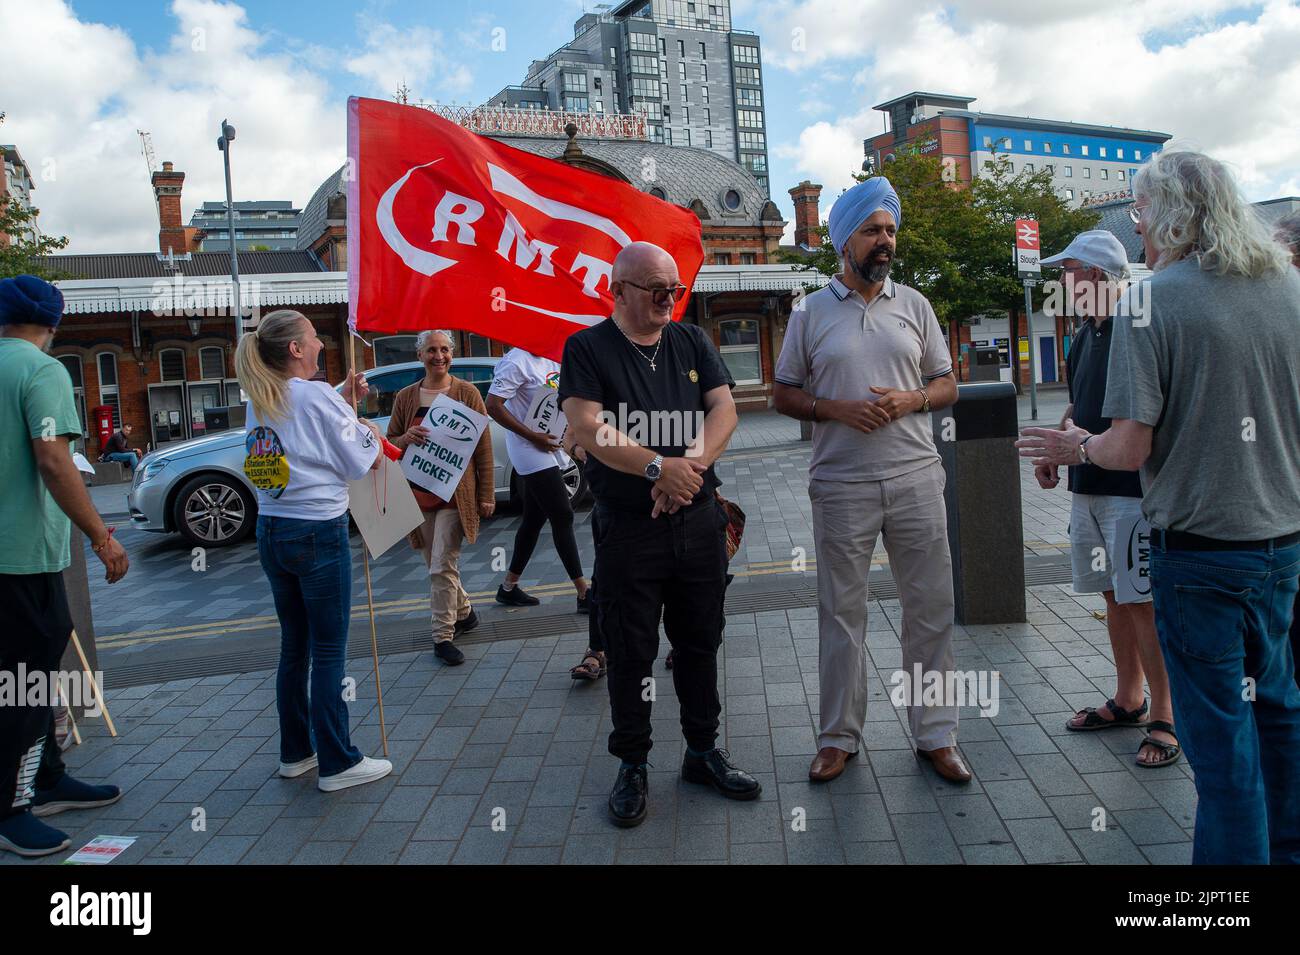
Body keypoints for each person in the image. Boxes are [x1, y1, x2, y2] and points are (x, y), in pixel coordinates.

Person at [1018, 147, 1300, 864]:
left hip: (1202, 554)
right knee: (1281, 721)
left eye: (1141, 215)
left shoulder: (1152, 300)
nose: (1139, 232)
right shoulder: (1288, 292)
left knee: (1222, 751)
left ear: (1172, 216)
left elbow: (1130, 447)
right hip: (1284, 547)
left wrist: (1075, 447)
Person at [772, 176, 970, 785]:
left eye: (890, 230)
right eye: (872, 230)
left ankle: (936, 733)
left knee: (931, 609)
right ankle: (838, 737)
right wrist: (837, 410)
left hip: (916, 476)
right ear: (843, 240)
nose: (884, 241)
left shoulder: (916, 305)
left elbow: (947, 383)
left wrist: (913, 399)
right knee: (841, 613)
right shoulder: (809, 311)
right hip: (841, 484)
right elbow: (783, 392)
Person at [560, 241, 760, 828]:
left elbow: (725, 411)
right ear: (616, 290)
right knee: (630, 652)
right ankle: (633, 764)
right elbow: (586, 426)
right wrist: (656, 466)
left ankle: (702, 751)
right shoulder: (588, 347)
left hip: (697, 523)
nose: (668, 298)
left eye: (674, 288)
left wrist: (686, 470)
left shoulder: (693, 341)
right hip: (628, 528)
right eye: (654, 289)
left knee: (700, 642)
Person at [235, 308, 392, 792]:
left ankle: (296, 752)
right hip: (316, 532)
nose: (323, 343)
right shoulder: (314, 395)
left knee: (295, 648)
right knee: (329, 651)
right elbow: (359, 458)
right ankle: (338, 761)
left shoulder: (261, 397)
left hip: (272, 529)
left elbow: (298, 435)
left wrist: (340, 403)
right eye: (313, 336)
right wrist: (362, 423)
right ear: (296, 349)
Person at [1037, 230, 1178, 767]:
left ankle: (1164, 716)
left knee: (1142, 602)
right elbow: (1078, 405)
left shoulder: (1133, 327)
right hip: (1089, 487)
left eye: (1069, 271)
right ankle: (1128, 699)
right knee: (1114, 597)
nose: (1062, 282)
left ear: (1095, 275)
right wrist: (1055, 448)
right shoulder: (1086, 332)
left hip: (1130, 492)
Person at [0, 275, 129, 857]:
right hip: (22, 554)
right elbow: (54, 461)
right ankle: (11, 807)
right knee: (24, 682)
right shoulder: (41, 371)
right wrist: (102, 536)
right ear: (54, 324)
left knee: (27, 672)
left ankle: (46, 776)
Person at [386, 330, 494, 667]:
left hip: (453, 497)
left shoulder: (467, 393)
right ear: (420, 355)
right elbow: (390, 441)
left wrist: (486, 494)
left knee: (442, 564)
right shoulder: (406, 396)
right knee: (435, 565)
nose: (439, 356)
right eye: (432, 350)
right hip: (418, 496)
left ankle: (442, 636)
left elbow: (483, 448)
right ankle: (465, 612)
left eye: (445, 349)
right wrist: (405, 438)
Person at [486, 346, 590, 613]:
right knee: (562, 514)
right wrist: (533, 437)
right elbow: (493, 405)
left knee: (533, 518)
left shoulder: (552, 356)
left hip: (550, 442)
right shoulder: (517, 360)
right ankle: (583, 592)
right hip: (527, 447)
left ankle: (508, 588)